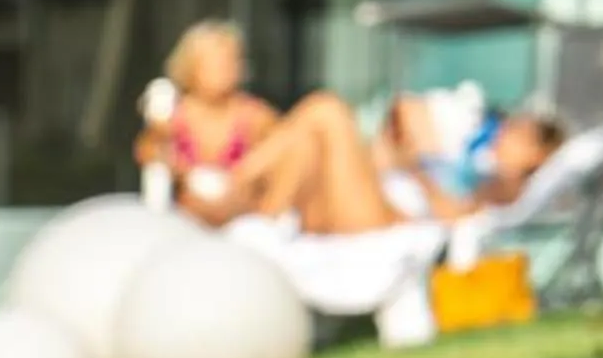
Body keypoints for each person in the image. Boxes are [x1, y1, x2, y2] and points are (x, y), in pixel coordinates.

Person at [216, 87, 567, 236]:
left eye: (519, 133)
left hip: (384, 221)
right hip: (374, 204)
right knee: (309, 140)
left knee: (329, 111)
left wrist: (415, 168)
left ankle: (233, 182)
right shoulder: (481, 160)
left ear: (538, 154)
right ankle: (260, 212)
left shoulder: (506, 185)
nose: (505, 131)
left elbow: (457, 216)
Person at [138, 21, 278, 221]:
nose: (225, 70)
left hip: (242, 221)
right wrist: (159, 138)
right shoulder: (175, 115)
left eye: (231, 61)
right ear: (191, 66)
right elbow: (146, 152)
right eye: (215, 62)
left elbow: (284, 165)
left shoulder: (256, 115)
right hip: (188, 223)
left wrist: (245, 178)